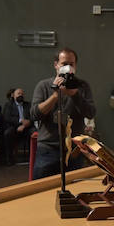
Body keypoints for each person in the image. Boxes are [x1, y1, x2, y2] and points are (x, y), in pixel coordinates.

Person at [31, 48, 96, 180]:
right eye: (64, 64)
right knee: (42, 189)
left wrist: (75, 95)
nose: (68, 67)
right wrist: (55, 96)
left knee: (74, 189)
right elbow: (34, 114)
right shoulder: (43, 86)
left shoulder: (82, 86)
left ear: (76, 65)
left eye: (71, 64)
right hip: (48, 149)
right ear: (56, 65)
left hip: (73, 149)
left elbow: (91, 113)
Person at [2, 87, 33, 165]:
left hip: (27, 127)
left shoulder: (28, 105)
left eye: (22, 94)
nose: (20, 95)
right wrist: (20, 121)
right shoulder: (8, 105)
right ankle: (9, 159)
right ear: (13, 95)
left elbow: (33, 116)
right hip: (14, 127)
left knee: (34, 133)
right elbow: (7, 117)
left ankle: (32, 158)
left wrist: (26, 124)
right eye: (18, 93)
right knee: (7, 133)